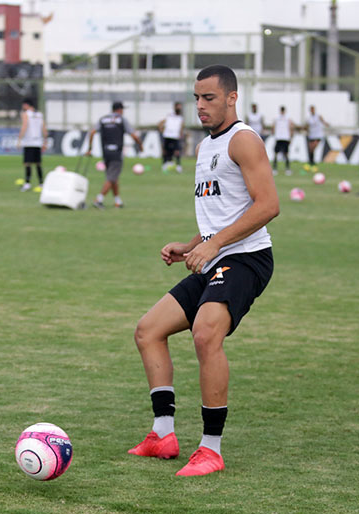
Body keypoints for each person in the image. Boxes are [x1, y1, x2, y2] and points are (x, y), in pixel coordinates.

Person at [128, 65, 279, 477]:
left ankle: (211, 449)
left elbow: (268, 205)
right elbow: (222, 212)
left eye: (209, 97)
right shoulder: (203, 147)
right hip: (214, 255)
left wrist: (214, 245)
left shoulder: (244, 140)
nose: (200, 105)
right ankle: (163, 435)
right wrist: (193, 244)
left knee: (205, 333)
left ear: (232, 97)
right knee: (148, 331)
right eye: (196, 97)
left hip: (246, 257)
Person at [85, 102, 144, 209]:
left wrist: (90, 148)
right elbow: (134, 135)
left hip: (105, 153)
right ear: (120, 110)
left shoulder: (103, 119)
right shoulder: (121, 119)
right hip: (116, 153)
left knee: (113, 177)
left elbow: (92, 132)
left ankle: (118, 201)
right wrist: (140, 145)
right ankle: (99, 199)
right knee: (111, 178)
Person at [17, 98, 48, 192]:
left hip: (29, 142)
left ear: (26, 105)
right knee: (38, 164)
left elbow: (24, 126)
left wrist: (19, 139)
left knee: (27, 163)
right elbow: (44, 128)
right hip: (38, 142)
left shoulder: (26, 114)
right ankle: (41, 183)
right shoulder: (39, 115)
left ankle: (27, 184)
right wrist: (45, 141)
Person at [159, 102, 185, 173]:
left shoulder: (180, 117)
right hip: (167, 135)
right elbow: (161, 123)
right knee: (165, 151)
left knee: (177, 151)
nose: (179, 108)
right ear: (175, 107)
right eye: (178, 106)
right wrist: (161, 130)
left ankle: (178, 166)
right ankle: (164, 165)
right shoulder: (170, 115)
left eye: (180, 107)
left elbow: (181, 127)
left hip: (175, 137)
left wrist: (181, 134)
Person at [272, 105, 295, 176]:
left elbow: (291, 127)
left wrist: (290, 136)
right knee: (276, 153)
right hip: (279, 137)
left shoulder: (287, 118)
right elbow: (274, 127)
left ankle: (287, 169)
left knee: (286, 154)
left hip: (285, 137)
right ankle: (275, 169)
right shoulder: (277, 118)